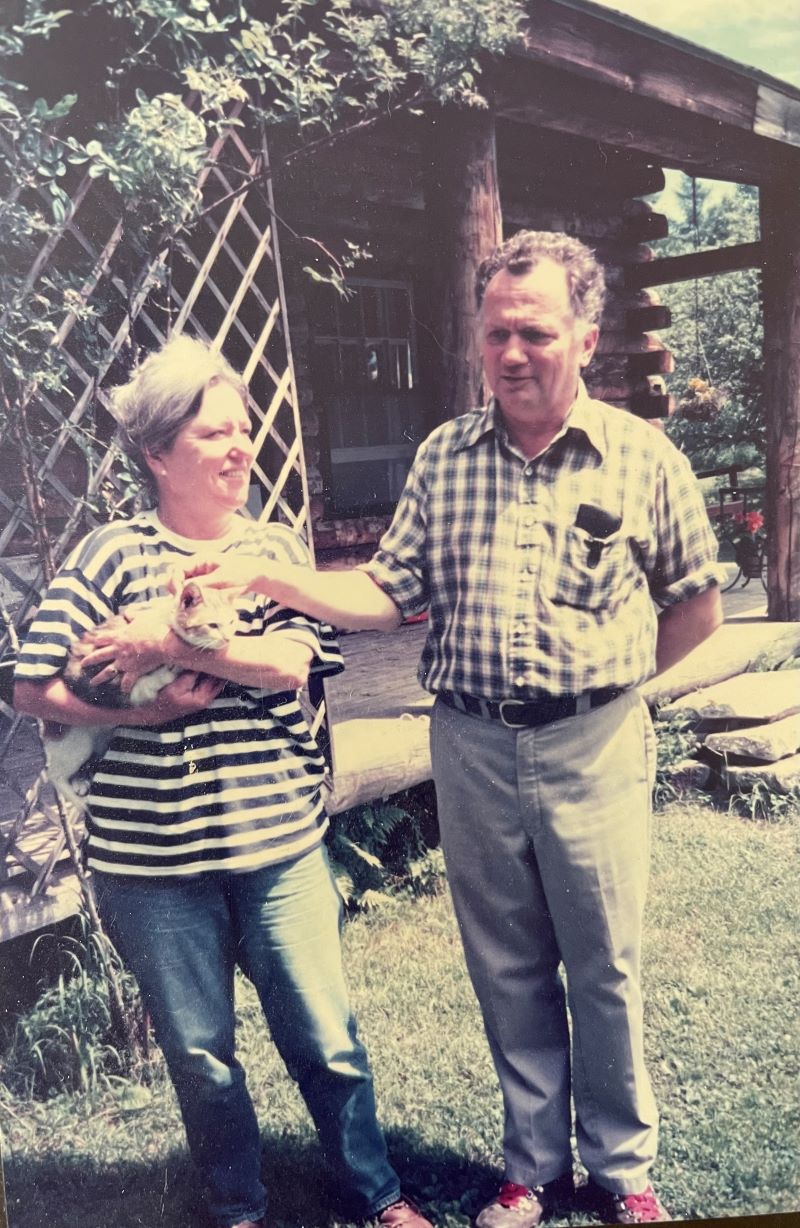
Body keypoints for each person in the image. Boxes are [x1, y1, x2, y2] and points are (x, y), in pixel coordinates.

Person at [173, 232, 725, 1226]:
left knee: (603, 961)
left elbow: (694, 606)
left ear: (586, 337)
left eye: (534, 332)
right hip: (467, 743)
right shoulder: (444, 457)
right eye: (494, 333)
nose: (510, 352)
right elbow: (386, 592)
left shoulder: (641, 458)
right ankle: (532, 1165)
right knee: (504, 962)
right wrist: (267, 574)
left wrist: (606, 691)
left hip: (591, 744)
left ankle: (621, 1170)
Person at [13, 335, 433, 1228]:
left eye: (244, 430)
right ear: (159, 454)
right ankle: (237, 1205)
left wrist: (162, 643)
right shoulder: (107, 556)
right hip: (151, 865)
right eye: (215, 434)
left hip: (276, 843)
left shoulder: (271, 551)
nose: (241, 447)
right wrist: (138, 715)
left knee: (327, 1039)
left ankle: (377, 1195)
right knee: (200, 1053)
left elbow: (290, 664)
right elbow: (25, 681)